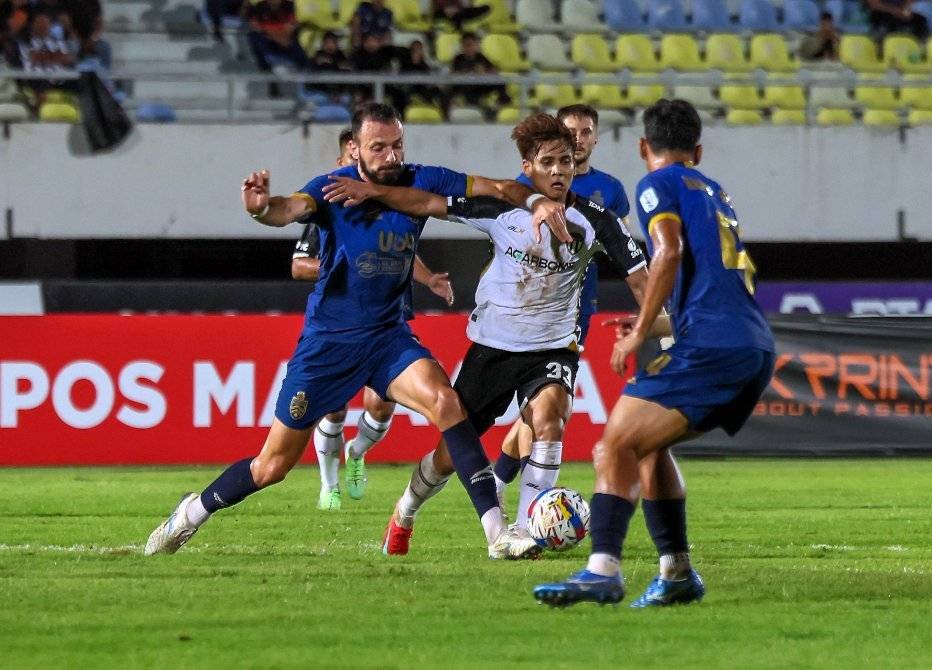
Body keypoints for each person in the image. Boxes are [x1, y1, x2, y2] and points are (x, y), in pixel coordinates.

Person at [144, 101, 571, 560]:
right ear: (355, 151)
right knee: (272, 467)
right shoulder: (330, 189)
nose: (391, 156)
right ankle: (191, 513)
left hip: (388, 338)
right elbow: (288, 209)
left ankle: (497, 533)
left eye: (397, 145)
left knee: (447, 403)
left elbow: (498, 187)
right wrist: (259, 208)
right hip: (328, 345)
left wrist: (537, 200)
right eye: (379, 148)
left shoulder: (421, 178)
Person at [324, 113, 648, 557]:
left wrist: (650, 326)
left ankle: (527, 528)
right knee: (446, 457)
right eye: (549, 161)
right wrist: (374, 191)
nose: (559, 171)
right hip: (493, 347)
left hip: (553, 345)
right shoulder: (503, 209)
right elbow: (427, 203)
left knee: (550, 420)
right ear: (528, 166)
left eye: (567, 161)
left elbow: (641, 280)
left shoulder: (597, 219)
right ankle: (405, 511)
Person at [533, 99, 775, 608]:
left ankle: (602, 569)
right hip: (751, 343)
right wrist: (662, 322)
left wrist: (640, 329)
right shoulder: (714, 192)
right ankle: (677, 572)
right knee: (648, 447)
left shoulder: (656, 184)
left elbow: (667, 252)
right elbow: (712, 286)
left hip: (710, 346)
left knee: (613, 446)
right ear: (698, 150)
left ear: (644, 147)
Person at [292, 128, 454, 510]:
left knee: (381, 408)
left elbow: (399, 252)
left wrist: (429, 278)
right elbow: (299, 267)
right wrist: (338, 267)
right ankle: (328, 485)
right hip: (341, 326)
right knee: (332, 407)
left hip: (387, 322)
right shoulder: (324, 209)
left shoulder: (392, 202)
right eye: (354, 156)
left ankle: (358, 452)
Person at [494, 104, 632, 528]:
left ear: (594, 138)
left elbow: (619, 242)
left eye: (586, 131)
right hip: (523, 311)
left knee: (540, 412)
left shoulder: (608, 189)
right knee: (539, 413)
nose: (578, 138)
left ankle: (506, 492)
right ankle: (501, 485)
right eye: (571, 130)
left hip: (576, 311)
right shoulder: (530, 183)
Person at [449, 32, 510, 111]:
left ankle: (499, 106)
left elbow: (493, 70)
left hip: (480, 85)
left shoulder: (481, 57)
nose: (469, 48)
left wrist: (485, 71)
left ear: (476, 45)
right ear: (462, 46)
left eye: (472, 45)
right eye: (466, 45)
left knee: (500, 82)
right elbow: (453, 74)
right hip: (465, 86)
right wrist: (470, 72)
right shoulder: (458, 59)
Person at [246, 0, 308, 73]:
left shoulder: (289, 6)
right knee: (253, 37)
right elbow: (255, 27)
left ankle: (306, 73)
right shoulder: (259, 6)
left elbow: (290, 29)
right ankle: (265, 71)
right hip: (270, 40)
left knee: (297, 45)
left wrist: (267, 30)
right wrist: (274, 35)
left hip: (287, 40)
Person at [865, 0, 929, 41]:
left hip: (898, 13)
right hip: (881, 13)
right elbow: (874, 5)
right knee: (885, 17)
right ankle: (880, 44)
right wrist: (895, 11)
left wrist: (906, 12)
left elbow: (908, 3)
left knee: (920, 19)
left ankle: (922, 45)